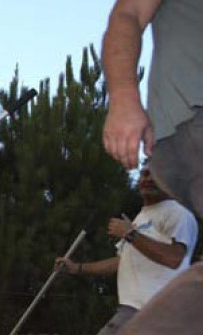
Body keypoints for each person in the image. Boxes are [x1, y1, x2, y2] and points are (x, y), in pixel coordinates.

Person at [100, 1, 203, 334]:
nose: (144, 178)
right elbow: (128, 12)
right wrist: (123, 96)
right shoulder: (146, 219)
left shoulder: (176, 216)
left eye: (147, 175)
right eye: (141, 174)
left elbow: (174, 259)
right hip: (192, 115)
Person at [55, 167, 198, 335]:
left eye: (155, 175)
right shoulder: (141, 218)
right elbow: (121, 261)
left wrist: (130, 234)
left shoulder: (178, 213)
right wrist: (77, 268)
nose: (148, 179)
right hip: (132, 310)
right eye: (144, 174)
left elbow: (174, 258)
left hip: (154, 311)